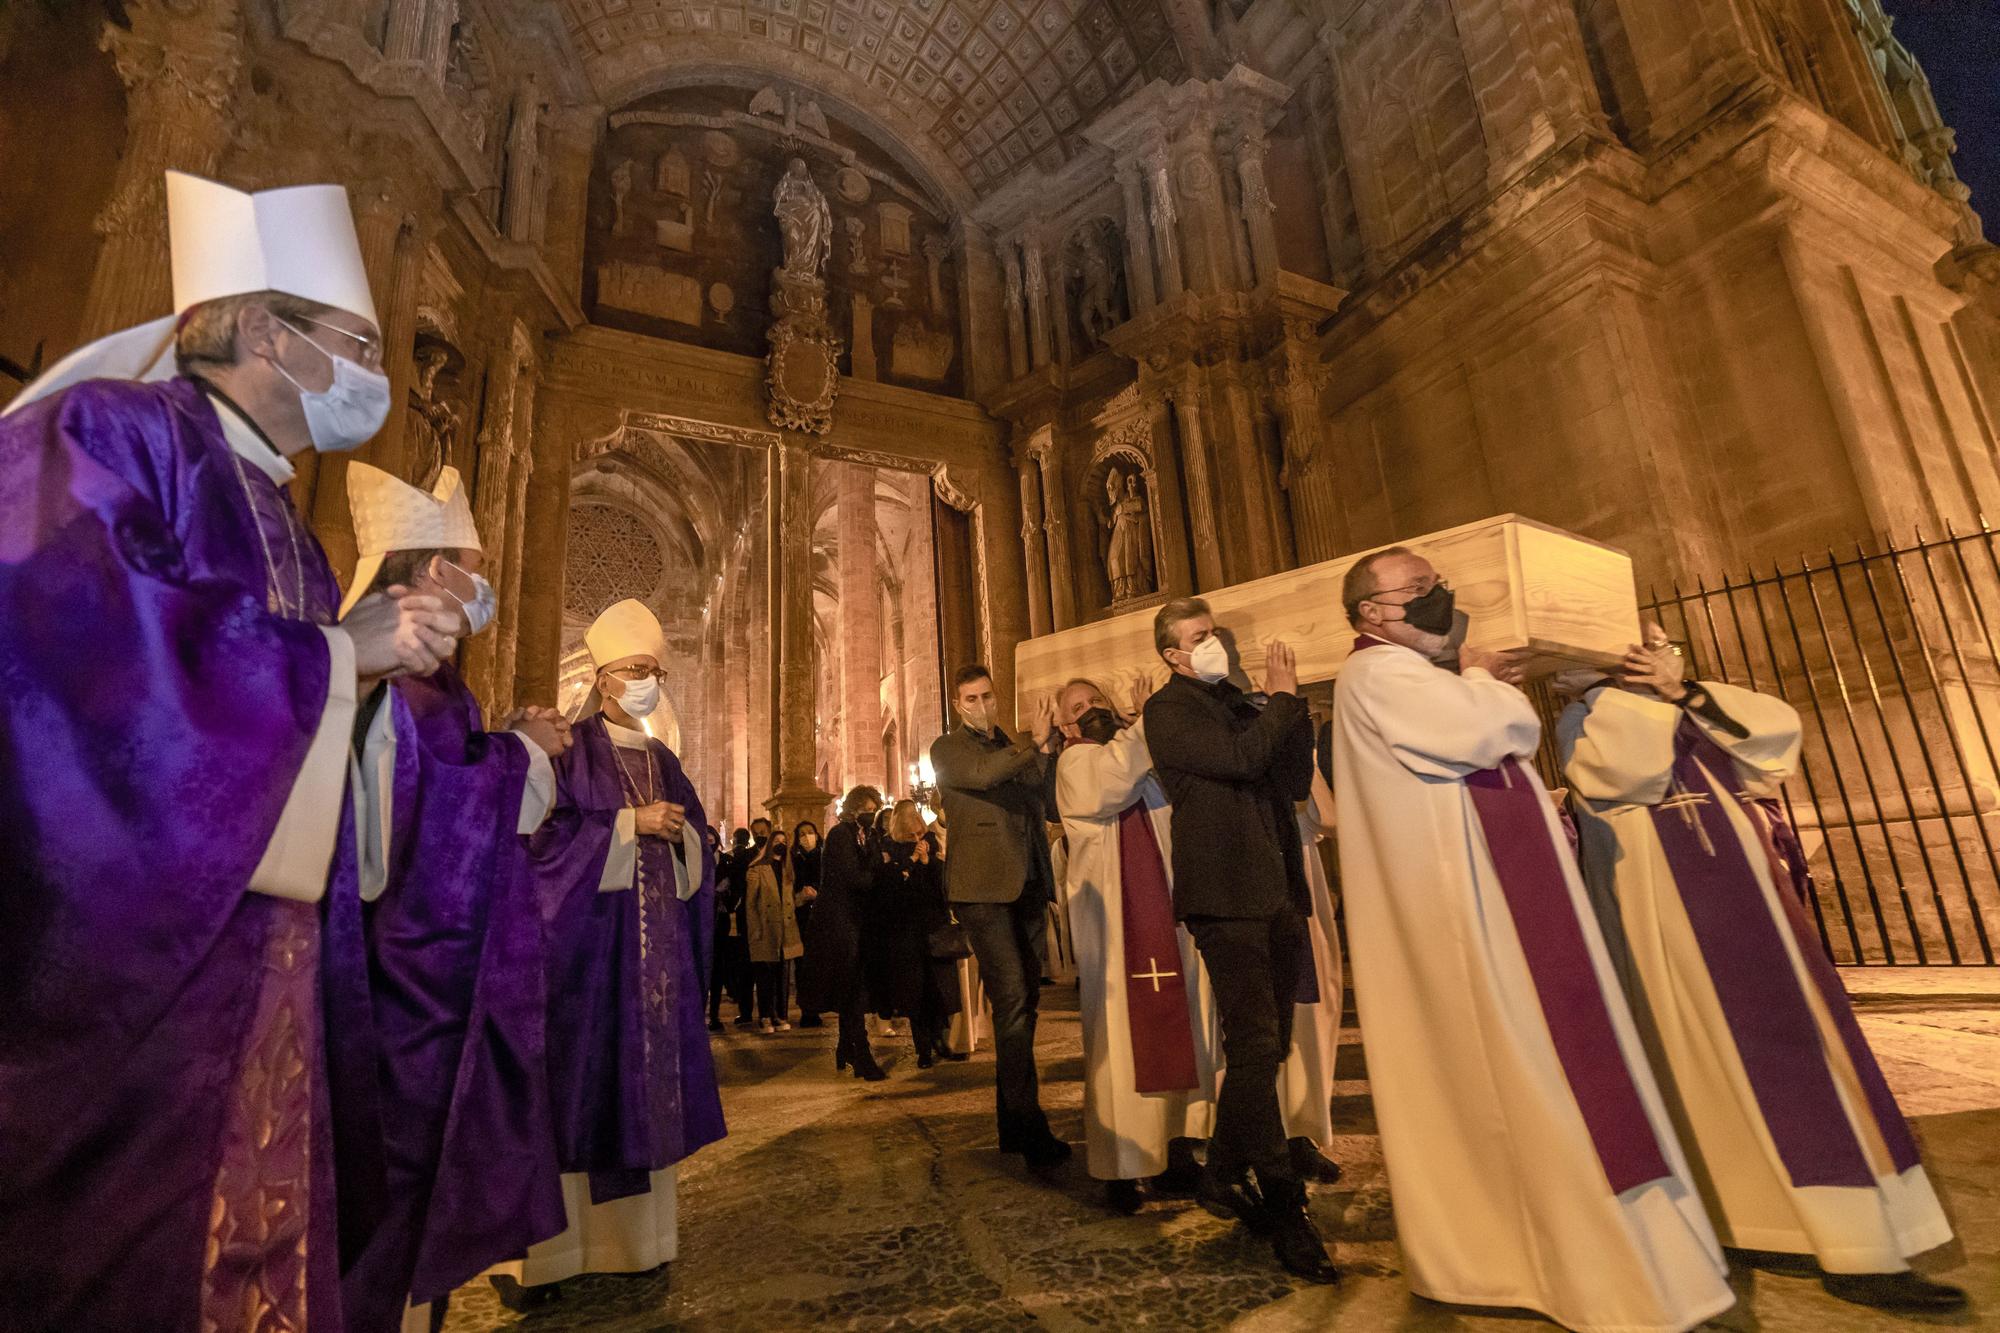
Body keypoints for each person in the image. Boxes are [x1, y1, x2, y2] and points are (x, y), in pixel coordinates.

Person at [0, 171, 464, 1332]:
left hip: (272, 967)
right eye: (355, 344)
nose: (374, 373)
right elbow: (84, 657)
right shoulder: (108, 430)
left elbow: (322, 756)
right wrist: (329, 658)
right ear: (264, 329)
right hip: (146, 984)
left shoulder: (295, 532)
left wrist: (351, 693)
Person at [1329, 547, 1733, 1331]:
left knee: (1556, 1067)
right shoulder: (1376, 674)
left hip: (1496, 903)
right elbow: (1493, 732)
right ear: (1372, 614)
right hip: (1469, 918)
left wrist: (1476, 682)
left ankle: (1616, 1251)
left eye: (1437, 583)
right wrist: (1480, 676)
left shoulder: (1406, 673)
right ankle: (1583, 1263)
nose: (1438, 596)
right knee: (1535, 1074)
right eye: (1417, 590)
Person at [1558, 630, 1965, 1313]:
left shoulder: (1681, 703)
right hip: (1670, 919)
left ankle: (1860, 1243)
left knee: (1802, 1063)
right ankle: (1751, 1223)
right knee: (1703, 1066)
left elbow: (1773, 743)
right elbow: (1630, 773)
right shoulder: (1587, 719)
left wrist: (1680, 689)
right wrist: (1645, 693)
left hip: (1747, 904)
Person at [335, 463, 575, 1333]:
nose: (484, 584)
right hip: (398, 995)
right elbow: (414, 828)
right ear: (430, 573)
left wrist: (511, 745)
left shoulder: (446, 690)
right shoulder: (387, 688)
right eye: (470, 563)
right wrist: (524, 753)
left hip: (435, 989)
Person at [494, 598, 725, 1309]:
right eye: (633, 670)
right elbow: (541, 844)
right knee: (576, 1092)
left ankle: (639, 1244)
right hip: (586, 968)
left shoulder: (663, 756)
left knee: (644, 1093)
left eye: (654, 670)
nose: (646, 680)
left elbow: (705, 842)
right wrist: (630, 824)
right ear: (601, 679)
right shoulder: (574, 750)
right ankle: (555, 1256)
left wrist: (685, 835)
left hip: (652, 970)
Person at [1142, 599, 1336, 1283]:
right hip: (1224, 896)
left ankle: (1222, 1169)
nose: (1213, 644)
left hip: (1276, 886)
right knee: (1254, 1046)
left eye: (1214, 633)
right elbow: (1236, 759)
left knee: (1269, 1046)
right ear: (1171, 654)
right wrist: (1278, 704)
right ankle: (1286, 1209)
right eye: (1198, 639)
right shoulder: (1169, 712)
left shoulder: (1237, 700)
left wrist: (1295, 711)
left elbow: (1284, 780)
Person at [1052, 678, 1216, 1214]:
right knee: (1118, 1043)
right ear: (1065, 726)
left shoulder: (1143, 757)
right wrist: (1146, 720)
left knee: (1180, 1024)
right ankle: (1120, 1168)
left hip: (1165, 920)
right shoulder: (1076, 764)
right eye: (1078, 709)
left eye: (1096, 700)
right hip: (1115, 934)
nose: (1091, 711)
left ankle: (1174, 1155)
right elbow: (1112, 783)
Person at [929, 664, 1070, 1170]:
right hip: (983, 892)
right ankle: (1029, 1129)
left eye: (988, 695)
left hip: (1028, 885)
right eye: (972, 698)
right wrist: (1034, 743)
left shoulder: (1014, 746)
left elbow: (1045, 802)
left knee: (1026, 1002)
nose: (983, 705)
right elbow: (985, 776)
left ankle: (1014, 1122)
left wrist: (1049, 752)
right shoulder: (948, 750)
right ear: (957, 704)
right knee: (1011, 1001)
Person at [1277, 754, 1344, 1186]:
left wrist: (1307, 759)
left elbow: (1330, 818)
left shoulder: (1289, 757)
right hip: (1252, 891)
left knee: (1308, 1022)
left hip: (1300, 893)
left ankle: (1299, 1133)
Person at [798, 787, 889, 1080]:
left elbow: (871, 867)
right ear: (853, 809)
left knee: (853, 988)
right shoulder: (840, 836)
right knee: (850, 988)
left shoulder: (868, 835)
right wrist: (879, 869)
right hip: (838, 922)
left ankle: (845, 1047)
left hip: (858, 920)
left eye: (875, 808)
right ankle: (860, 1054)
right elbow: (855, 877)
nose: (871, 813)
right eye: (867, 808)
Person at [872, 800, 963, 1068]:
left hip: (933, 926)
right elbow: (893, 886)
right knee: (916, 992)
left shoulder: (931, 841)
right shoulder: (889, 847)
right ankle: (923, 1048)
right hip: (905, 931)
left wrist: (928, 861)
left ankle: (941, 1041)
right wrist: (912, 861)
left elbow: (942, 885)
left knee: (939, 989)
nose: (916, 833)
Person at [744, 833, 802, 1032]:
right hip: (765, 928)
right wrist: (755, 930)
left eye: (784, 842)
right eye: (776, 842)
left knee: (783, 976)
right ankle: (765, 1016)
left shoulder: (788, 869)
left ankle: (781, 1015)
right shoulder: (757, 869)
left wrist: (802, 897)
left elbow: (791, 900)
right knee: (765, 975)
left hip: (786, 929)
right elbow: (751, 905)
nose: (781, 845)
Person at [709, 828, 754, 1031]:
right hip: (703, 921)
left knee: (719, 968)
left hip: (722, 919)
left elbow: (736, 887)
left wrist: (726, 899)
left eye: (712, 837)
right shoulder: (694, 859)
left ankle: (715, 1015)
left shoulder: (727, 861)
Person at [790, 821, 825, 1027]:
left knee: (819, 963)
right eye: (802, 833)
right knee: (802, 965)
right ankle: (807, 1009)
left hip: (821, 915)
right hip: (801, 916)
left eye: (810, 832)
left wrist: (818, 894)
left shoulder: (825, 856)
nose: (806, 836)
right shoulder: (794, 859)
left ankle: (819, 1005)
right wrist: (798, 897)